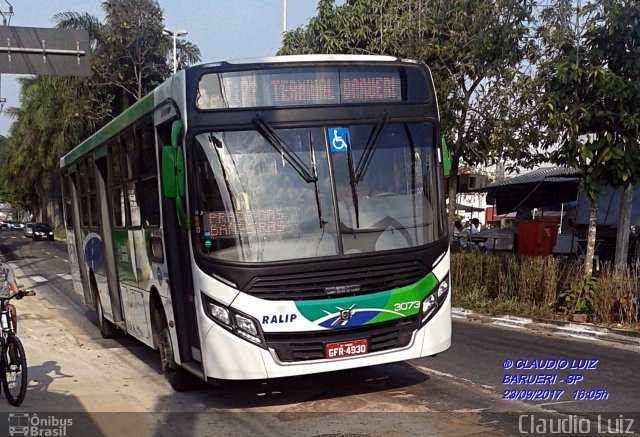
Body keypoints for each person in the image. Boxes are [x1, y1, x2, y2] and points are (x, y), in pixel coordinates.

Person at [0, 260, 20, 332]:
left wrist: (18, 294)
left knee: (12, 309)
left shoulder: (7, 269)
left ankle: (13, 334)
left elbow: (13, 285)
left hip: (4, 300)